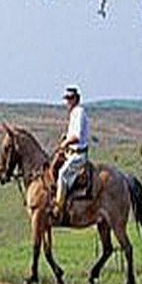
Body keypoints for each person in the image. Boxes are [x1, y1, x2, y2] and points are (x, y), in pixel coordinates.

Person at [53, 85, 89, 222]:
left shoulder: (79, 112)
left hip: (78, 155)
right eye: (66, 99)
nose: (67, 102)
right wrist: (65, 138)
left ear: (76, 99)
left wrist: (65, 143)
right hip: (70, 153)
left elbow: (77, 137)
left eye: (70, 99)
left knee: (62, 174)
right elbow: (71, 134)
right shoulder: (73, 114)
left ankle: (58, 209)